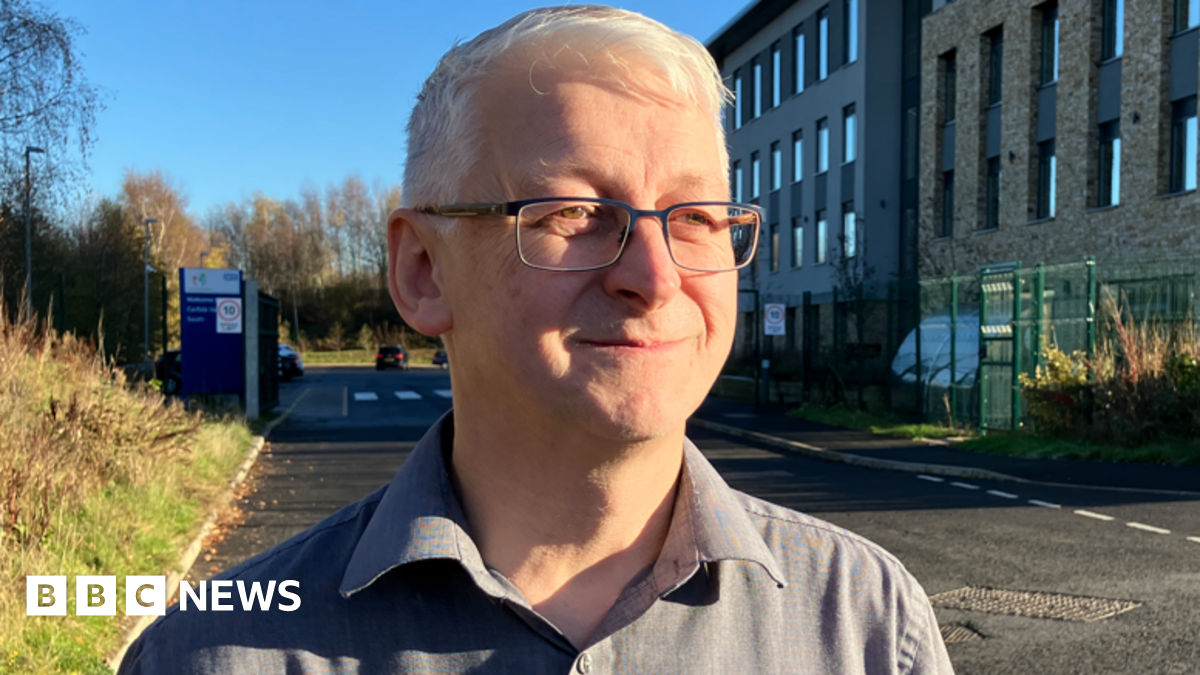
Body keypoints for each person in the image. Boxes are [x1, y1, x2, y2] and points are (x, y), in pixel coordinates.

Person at [119, 6, 955, 673]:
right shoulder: (213, 652)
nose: (656, 277)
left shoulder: (867, 627)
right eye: (576, 215)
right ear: (422, 269)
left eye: (697, 218)